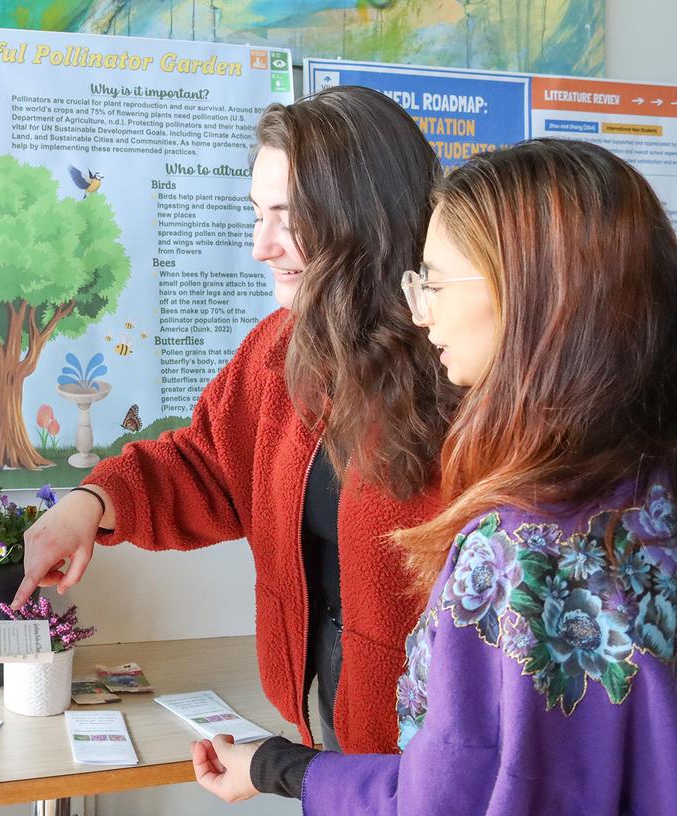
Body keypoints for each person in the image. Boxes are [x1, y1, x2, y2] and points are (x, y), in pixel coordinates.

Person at [192, 139, 677, 812]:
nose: (421, 312)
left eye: (435, 282)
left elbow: (445, 797)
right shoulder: (649, 486)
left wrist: (279, 769)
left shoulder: (518, 552)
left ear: (534, 295)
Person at [15, 85, 458, 755]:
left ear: (362, 215)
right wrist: (94, 500)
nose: (262, 246)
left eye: (286, 217)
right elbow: (209, 463)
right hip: (325, 720)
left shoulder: (459, 364)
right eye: (256, 215)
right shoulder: (278, 349)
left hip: (441, 744)